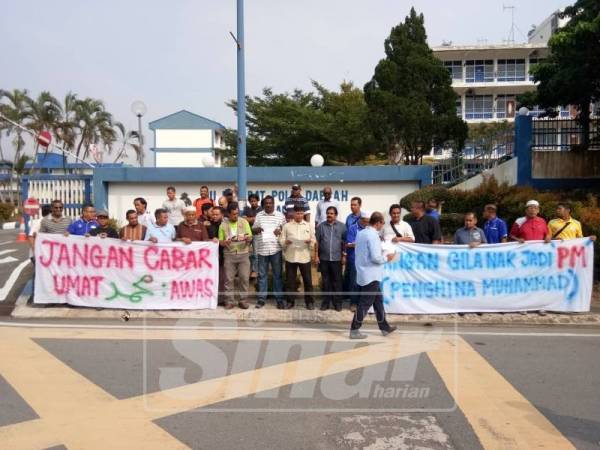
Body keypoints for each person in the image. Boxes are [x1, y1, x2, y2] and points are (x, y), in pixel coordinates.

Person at [349, 212, 396, 339]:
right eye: (382, 223)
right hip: (372, 274)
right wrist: (387, 258)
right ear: (378, 222)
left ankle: (384, 327)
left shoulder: (361, 233)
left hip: (364, 272)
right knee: (365, 304)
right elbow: (376, 257)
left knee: (378, 302)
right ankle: (354, 329)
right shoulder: (373, 235)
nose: (382, 226)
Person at [253, 195, 287, 309]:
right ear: (263, 204)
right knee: (262, 276)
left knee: (277, 275)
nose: (268, 205)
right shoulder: (259, 215)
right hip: (262, 250)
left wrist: (280, 231)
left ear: (273, 204)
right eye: (266, 203)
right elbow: (254, 229)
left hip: (275, 249)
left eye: (270, 203)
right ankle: (262, 299)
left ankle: (279, 299)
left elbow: (286, 231)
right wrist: (256, 230)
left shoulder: (280, 216)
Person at [219, 202, 253, 309]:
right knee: (229, 279)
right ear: (228, 214)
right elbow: (220, 241)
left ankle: (243, 301)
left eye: (237, 214)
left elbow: (250, 236)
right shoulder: (223, 225)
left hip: (243, 254)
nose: (236, 216)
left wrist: (248, 239)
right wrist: (225, 242)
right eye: (233, 214)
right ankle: (229, 301)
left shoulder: (244, 222)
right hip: (229, 254)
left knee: (244, 278)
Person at [281, 204, 315, 309]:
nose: (299, 215)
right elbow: (281, 240)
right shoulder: (287, 226)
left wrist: (310, 242)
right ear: (293, 213)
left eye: (301, 213)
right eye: (297, 213)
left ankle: (309, 302)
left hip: (304, 257)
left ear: (304, 214)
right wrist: (285, 242)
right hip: (291, 256)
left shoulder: (309, 225)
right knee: (290, 281)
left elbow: (314, 240)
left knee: (308, 281)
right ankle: (290, 302)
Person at [315, 206, 346, 311]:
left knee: (337, 282)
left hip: (337, 259)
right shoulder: (321, 226)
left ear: (335, 215)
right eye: (328, 213)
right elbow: (317, 242)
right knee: (326, 281)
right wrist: (316, 256)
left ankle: (337, 303)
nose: (329, 215)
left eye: (332, 213)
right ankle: (325, 303)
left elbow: (345, 242)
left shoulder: (342, 226)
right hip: (324, 259)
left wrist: (344, 255)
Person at [344, 197, 364, 311]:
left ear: (360, 205)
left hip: (365, 258)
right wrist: (345, 253)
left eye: (355, 205)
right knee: (353, 279)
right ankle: (353, 302)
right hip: (352, 255)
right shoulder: (349, 219)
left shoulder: (365, 217)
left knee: (363, 280)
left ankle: (362, 302)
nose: (352, 207)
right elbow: (348, 240)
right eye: (351, 205)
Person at [207, 206, 226, 304]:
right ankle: (211, 298)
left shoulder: (227, 225)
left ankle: (222, 300)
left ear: (222, 215)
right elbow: (204, 240)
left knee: (223, 279)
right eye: (213, 214)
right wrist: (211, 240)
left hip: (224, 256)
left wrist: (220, 241)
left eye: (216, 214)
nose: (214, 216)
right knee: (212, 278)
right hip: (211, 257)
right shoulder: (208, 226)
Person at [243, 193, 263, 279]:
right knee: (244, 252)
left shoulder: (261, 209)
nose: (253, 203)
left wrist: (249, 219)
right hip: (247, 234)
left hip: (257, 235)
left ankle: (255, 270)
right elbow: (243, 219)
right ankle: (244, 270)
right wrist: (253, 219)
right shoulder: (247, 209)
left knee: (255, 254)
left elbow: (260, 221)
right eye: (251, 201)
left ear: (258, 201)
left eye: (254, 201)